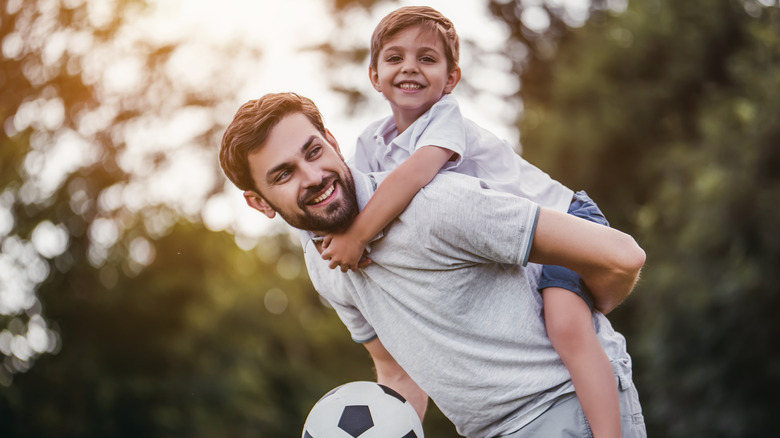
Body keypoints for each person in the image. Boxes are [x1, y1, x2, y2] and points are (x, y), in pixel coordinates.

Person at [219, 92, 647, 437]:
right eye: (283, 174)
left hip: (572, 410)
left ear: (332, 140)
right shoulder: (324, 265)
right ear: (259, 203)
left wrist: (580, 319)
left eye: (313, 151)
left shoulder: (436, 207)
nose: (312, 176)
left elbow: (622, 257)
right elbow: (397, 373)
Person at [318, 6, 623, 437]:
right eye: (394, 58)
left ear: (450, 79)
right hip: (516, 242)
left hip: (566, 219)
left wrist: (359, 236)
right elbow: (359, 194)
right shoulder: (371, 141)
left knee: (565, 326)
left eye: (427, 58)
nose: (410, 67)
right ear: (374, 75)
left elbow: (414, 175)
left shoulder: (445, 120)